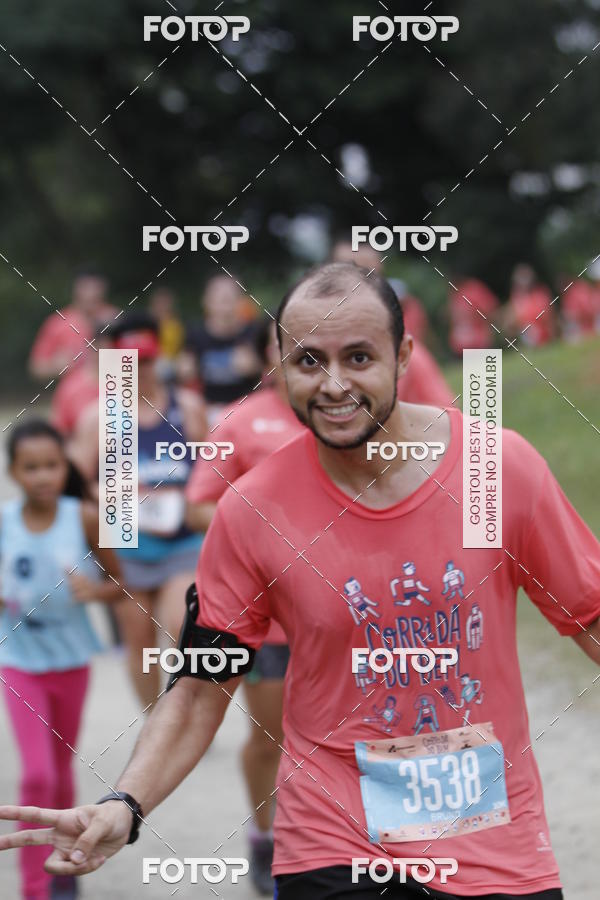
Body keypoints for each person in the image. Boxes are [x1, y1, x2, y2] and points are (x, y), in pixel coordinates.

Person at [1, 264, 599, 900]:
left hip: (492, 847)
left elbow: (588, 616)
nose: (334, 384)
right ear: (278, 365)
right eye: (309, 361)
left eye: (359, 357)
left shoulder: (491, 470)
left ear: (402, 357)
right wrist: (127, 803)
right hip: (332, 843)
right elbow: (204, 682)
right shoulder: (256, 507)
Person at [185, 317, 303, 894]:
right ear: (267, 360)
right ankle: (265, 836)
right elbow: (198, 506)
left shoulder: (354, 419)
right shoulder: (240, 420)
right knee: (271, 738)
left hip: (353, 614)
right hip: (269, 622)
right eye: (295, 353)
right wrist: (268, 530)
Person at [0, 420, 122, 900]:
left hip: (71, 660)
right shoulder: (4, 522)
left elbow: (123, 584)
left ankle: (63, 863)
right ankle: (35, 887)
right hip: (18, 659)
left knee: (62, 767)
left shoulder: (86, 516)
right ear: (13, 471)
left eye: (52, 465)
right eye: (31, 468)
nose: (43, 476)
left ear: (64, 467)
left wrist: (94, 590)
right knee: (37, 775)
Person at [69, 314, 208, 708]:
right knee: (139, 641)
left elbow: (212, 471)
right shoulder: (98, 417)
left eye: (146, 360)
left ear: (158, 358)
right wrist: (112, 493)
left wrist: (184, 495)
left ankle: (184, 714)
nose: (139, 370)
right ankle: (154, 719)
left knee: (182, 625)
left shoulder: (188, 407)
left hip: (181, 542)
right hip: (125, 544)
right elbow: (71, 484)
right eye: (129, 361)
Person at [183, 274, 262, 425]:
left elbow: (268, 371)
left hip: (248, 409)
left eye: (229, 299)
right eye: (219, 299)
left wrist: (255, 364)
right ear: (206, 302)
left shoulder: (253, 332)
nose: (224, 306)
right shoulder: (195, 334)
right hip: (209, 410)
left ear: (240, 302)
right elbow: (185, 375)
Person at [28, 269, 116, 383]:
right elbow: (36, 367)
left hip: (111, 393)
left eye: (96, 287)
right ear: (75, 289)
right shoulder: (57, 323)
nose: (91, 293)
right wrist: (56, 366)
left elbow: (138, 362)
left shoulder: (116, 320)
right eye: (86, 287)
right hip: (71, 395)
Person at [505, 265, 555, 347]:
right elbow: (511, 323)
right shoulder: (516, 298)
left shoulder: (541, 294)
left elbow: (549, 317)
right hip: (526, 336)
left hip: (544, 335)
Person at [447, 277, 499, 355]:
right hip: (466, 344)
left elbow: (488, 311)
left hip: (475, 342)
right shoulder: (458, 294)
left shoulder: (472, 290)